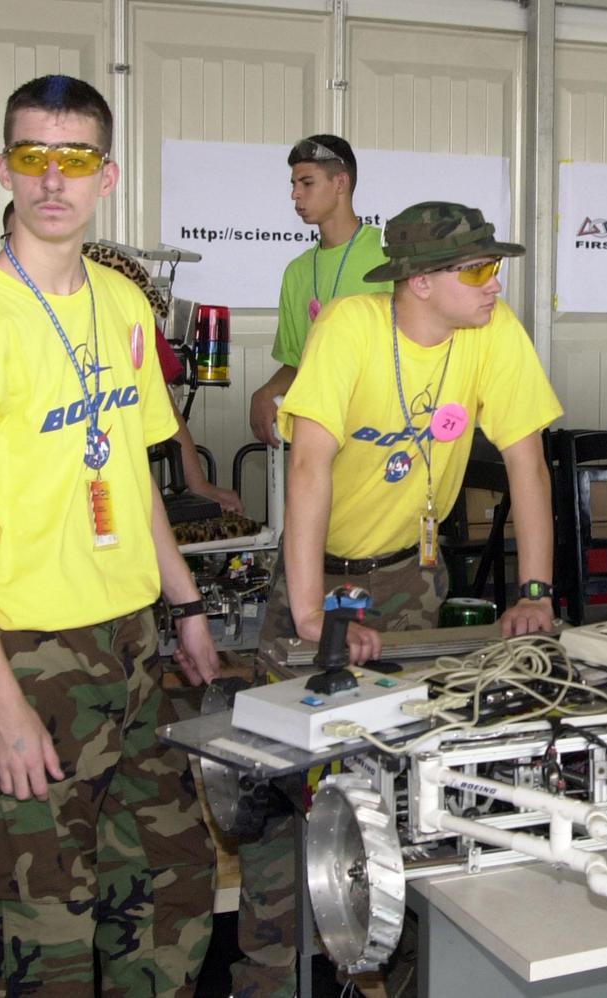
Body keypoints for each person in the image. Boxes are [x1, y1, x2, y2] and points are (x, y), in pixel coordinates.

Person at [0, 75, 219, 996]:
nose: (54, 179)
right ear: (2, 168)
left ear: (108, 175)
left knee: (171, 893)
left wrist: (189, 607)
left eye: (75, 158)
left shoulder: (124, 307)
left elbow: (134, 477)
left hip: (130, 649)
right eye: (34, 157)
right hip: (29, 660)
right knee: (45, 929)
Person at [230, 201, 563, 998]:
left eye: (494, 267)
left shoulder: (494, 331)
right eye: (476, 269)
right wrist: (312, 616)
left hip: (412, 575)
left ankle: (402, 975)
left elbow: (528, 464)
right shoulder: (348, 327)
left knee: (412, 783)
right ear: (417, 282)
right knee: (287, 782)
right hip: (323, 571)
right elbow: (309, 467)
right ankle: (268, 976)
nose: (494, 283)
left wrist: (537, 592)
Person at [3, 200, 244, 514]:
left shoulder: (122, 307)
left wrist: (198, 484)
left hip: (109, 498)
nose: (32, 252)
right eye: (16, 240)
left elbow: (162, 408)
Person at [248, 134, 391, 445]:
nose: (295, 195)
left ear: (340, 183)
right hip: (320, 439)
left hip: (382, 438)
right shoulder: (297, 272)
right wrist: (266, 392)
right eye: (293, 184)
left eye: (307, 183)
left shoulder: (391, 256)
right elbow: (299, 364)